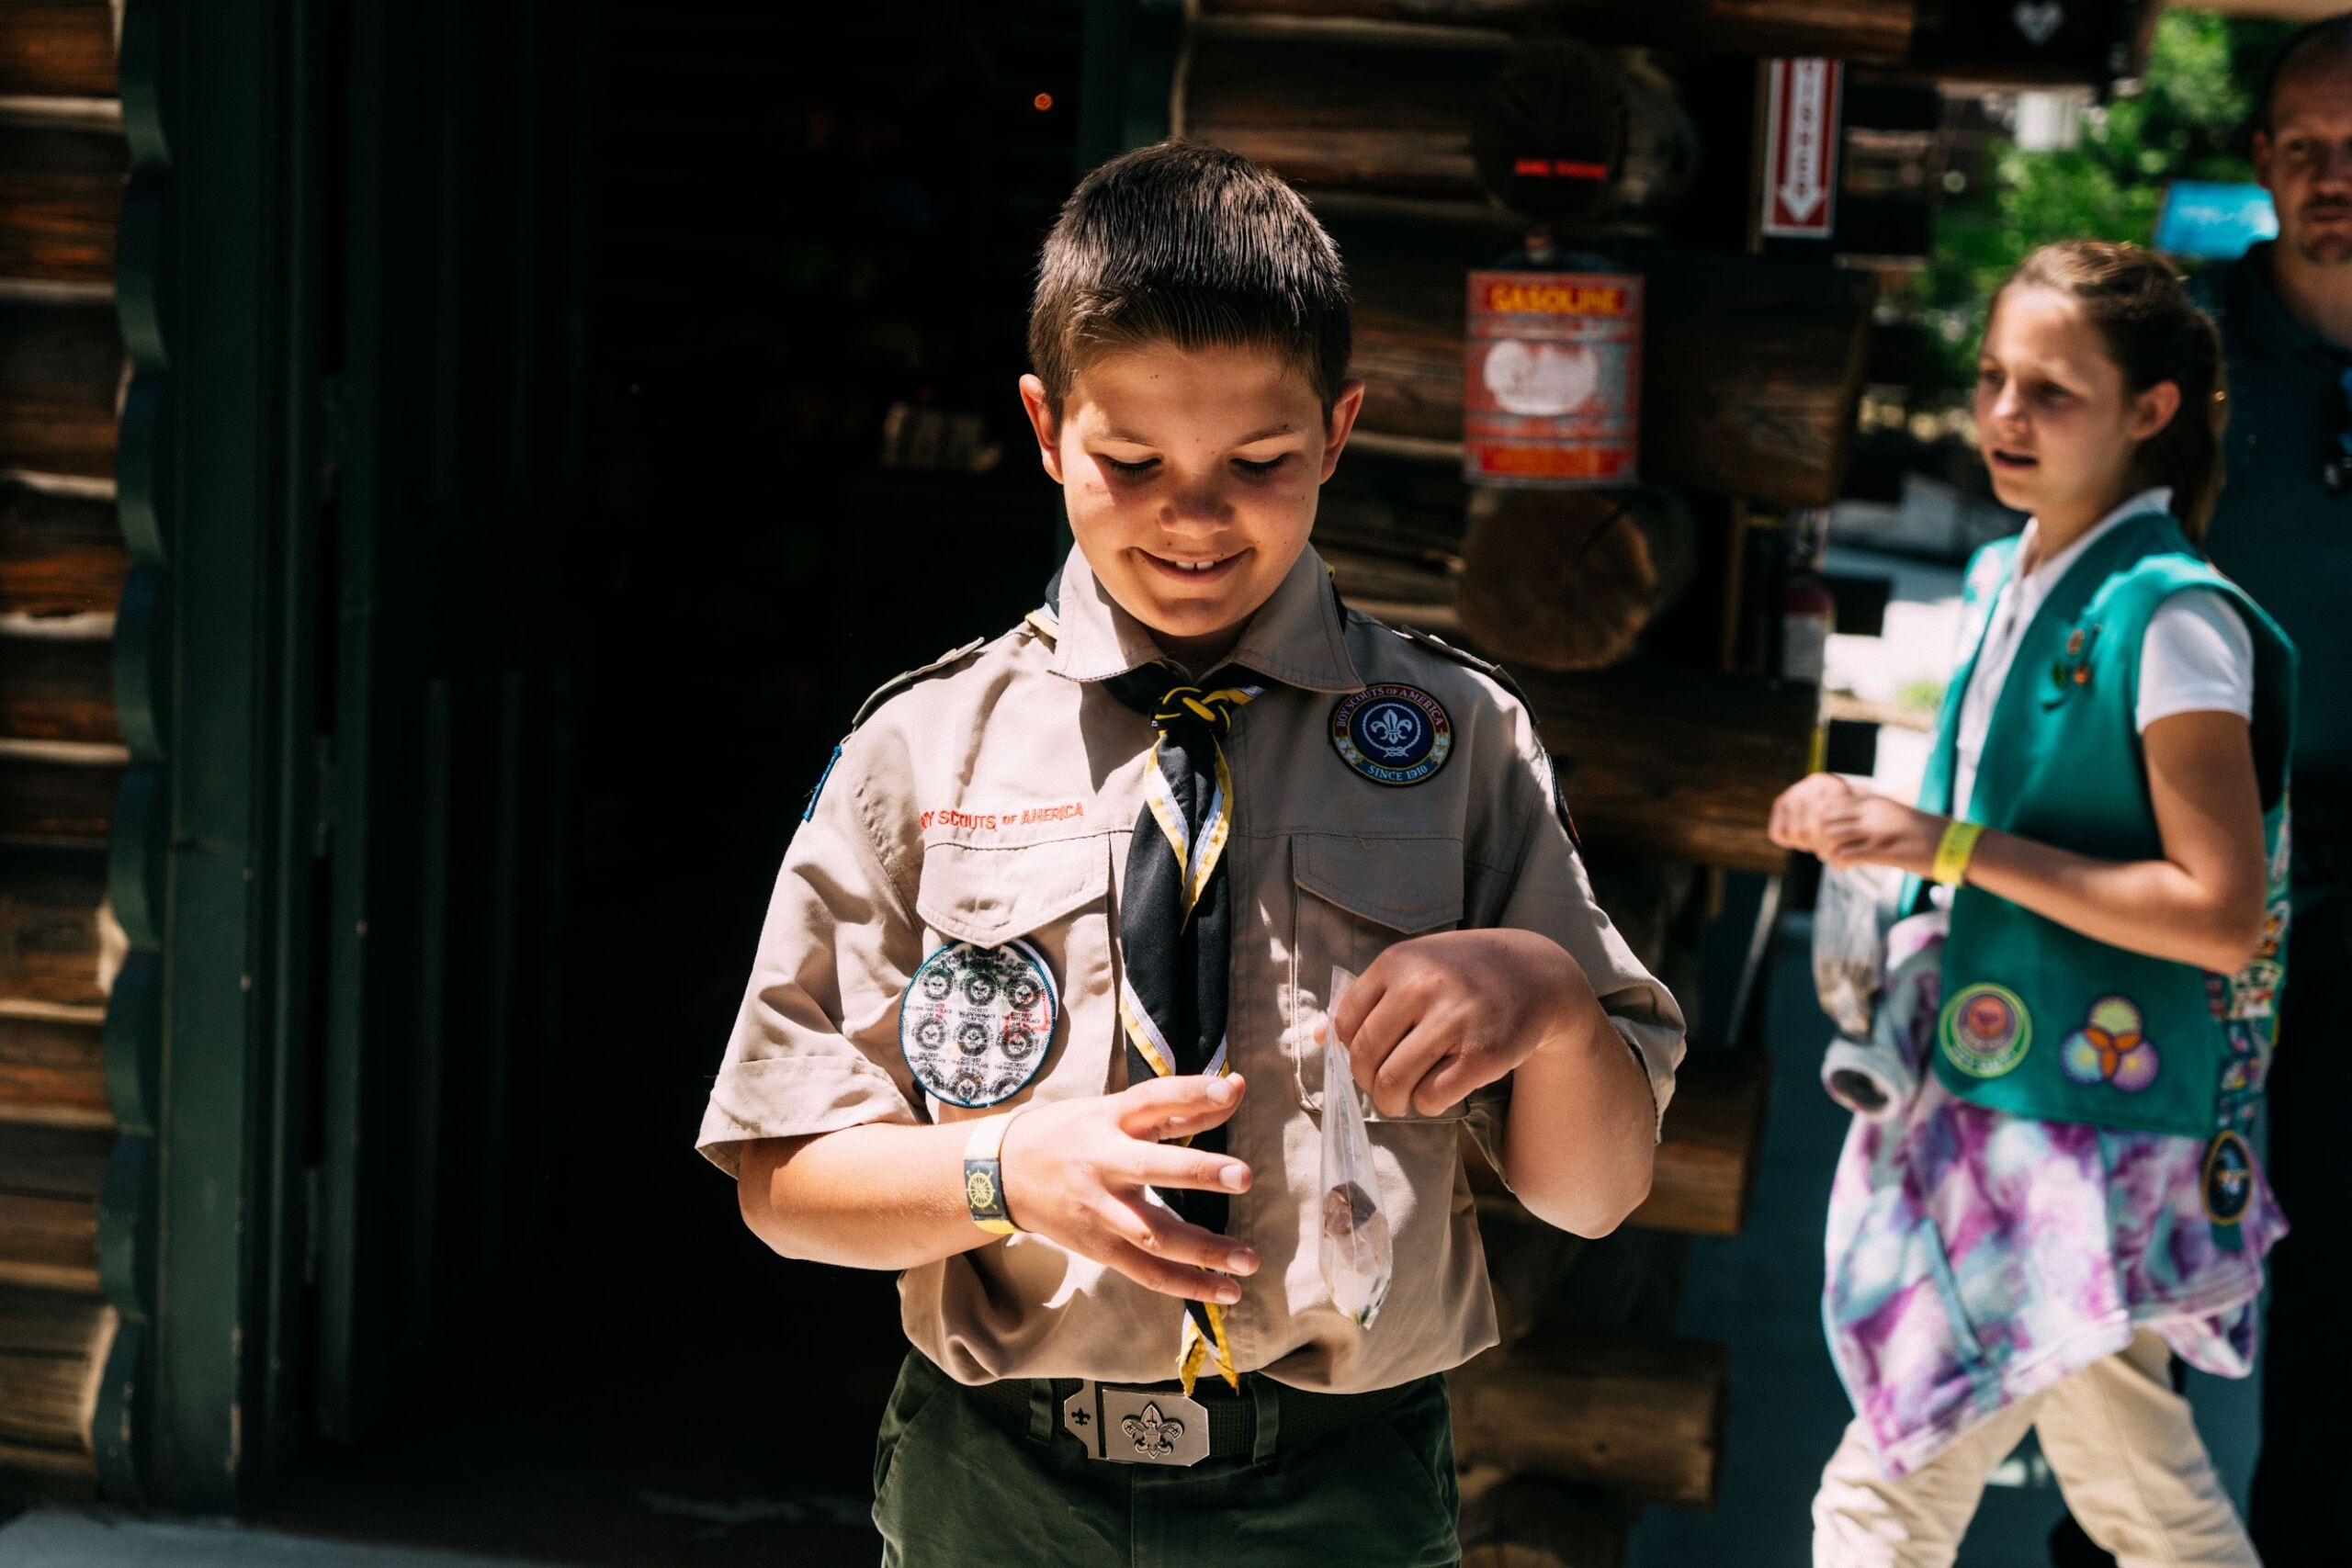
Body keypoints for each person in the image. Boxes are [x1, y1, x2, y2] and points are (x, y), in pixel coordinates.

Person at [694, 141, 1685, 1568]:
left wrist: (1546, 994)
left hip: (1337, 1486)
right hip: (1003, 1488)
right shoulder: (923, 753)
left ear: (1339, 433)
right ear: (1045, 429)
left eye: (1261, 463)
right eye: (1132, 460)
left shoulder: (1461, 742)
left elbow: (1592, 1194)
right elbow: (783, 1185)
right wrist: (1002, 1172)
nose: (1194, 515)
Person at [1771, 241, 2296, 1568]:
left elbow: (2218, 911)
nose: (2005, 414)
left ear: (2151, 412)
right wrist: (1881, 841)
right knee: (2131, 1505)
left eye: (2051, 391)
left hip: (2079, 1134)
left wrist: (1945, 844)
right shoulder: (2019, 574)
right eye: (1996, 380)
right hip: (2023, 1119)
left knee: (1895, 1495)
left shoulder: (2175, 619)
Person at [2189, 20, 2352, 1563]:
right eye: (2302, 147)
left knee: (2347, 1261)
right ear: (2260, 166)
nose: (2332, 179)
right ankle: (2115, 1546)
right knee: (2161, 1236)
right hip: (2198, 852)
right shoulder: (2188, 353)